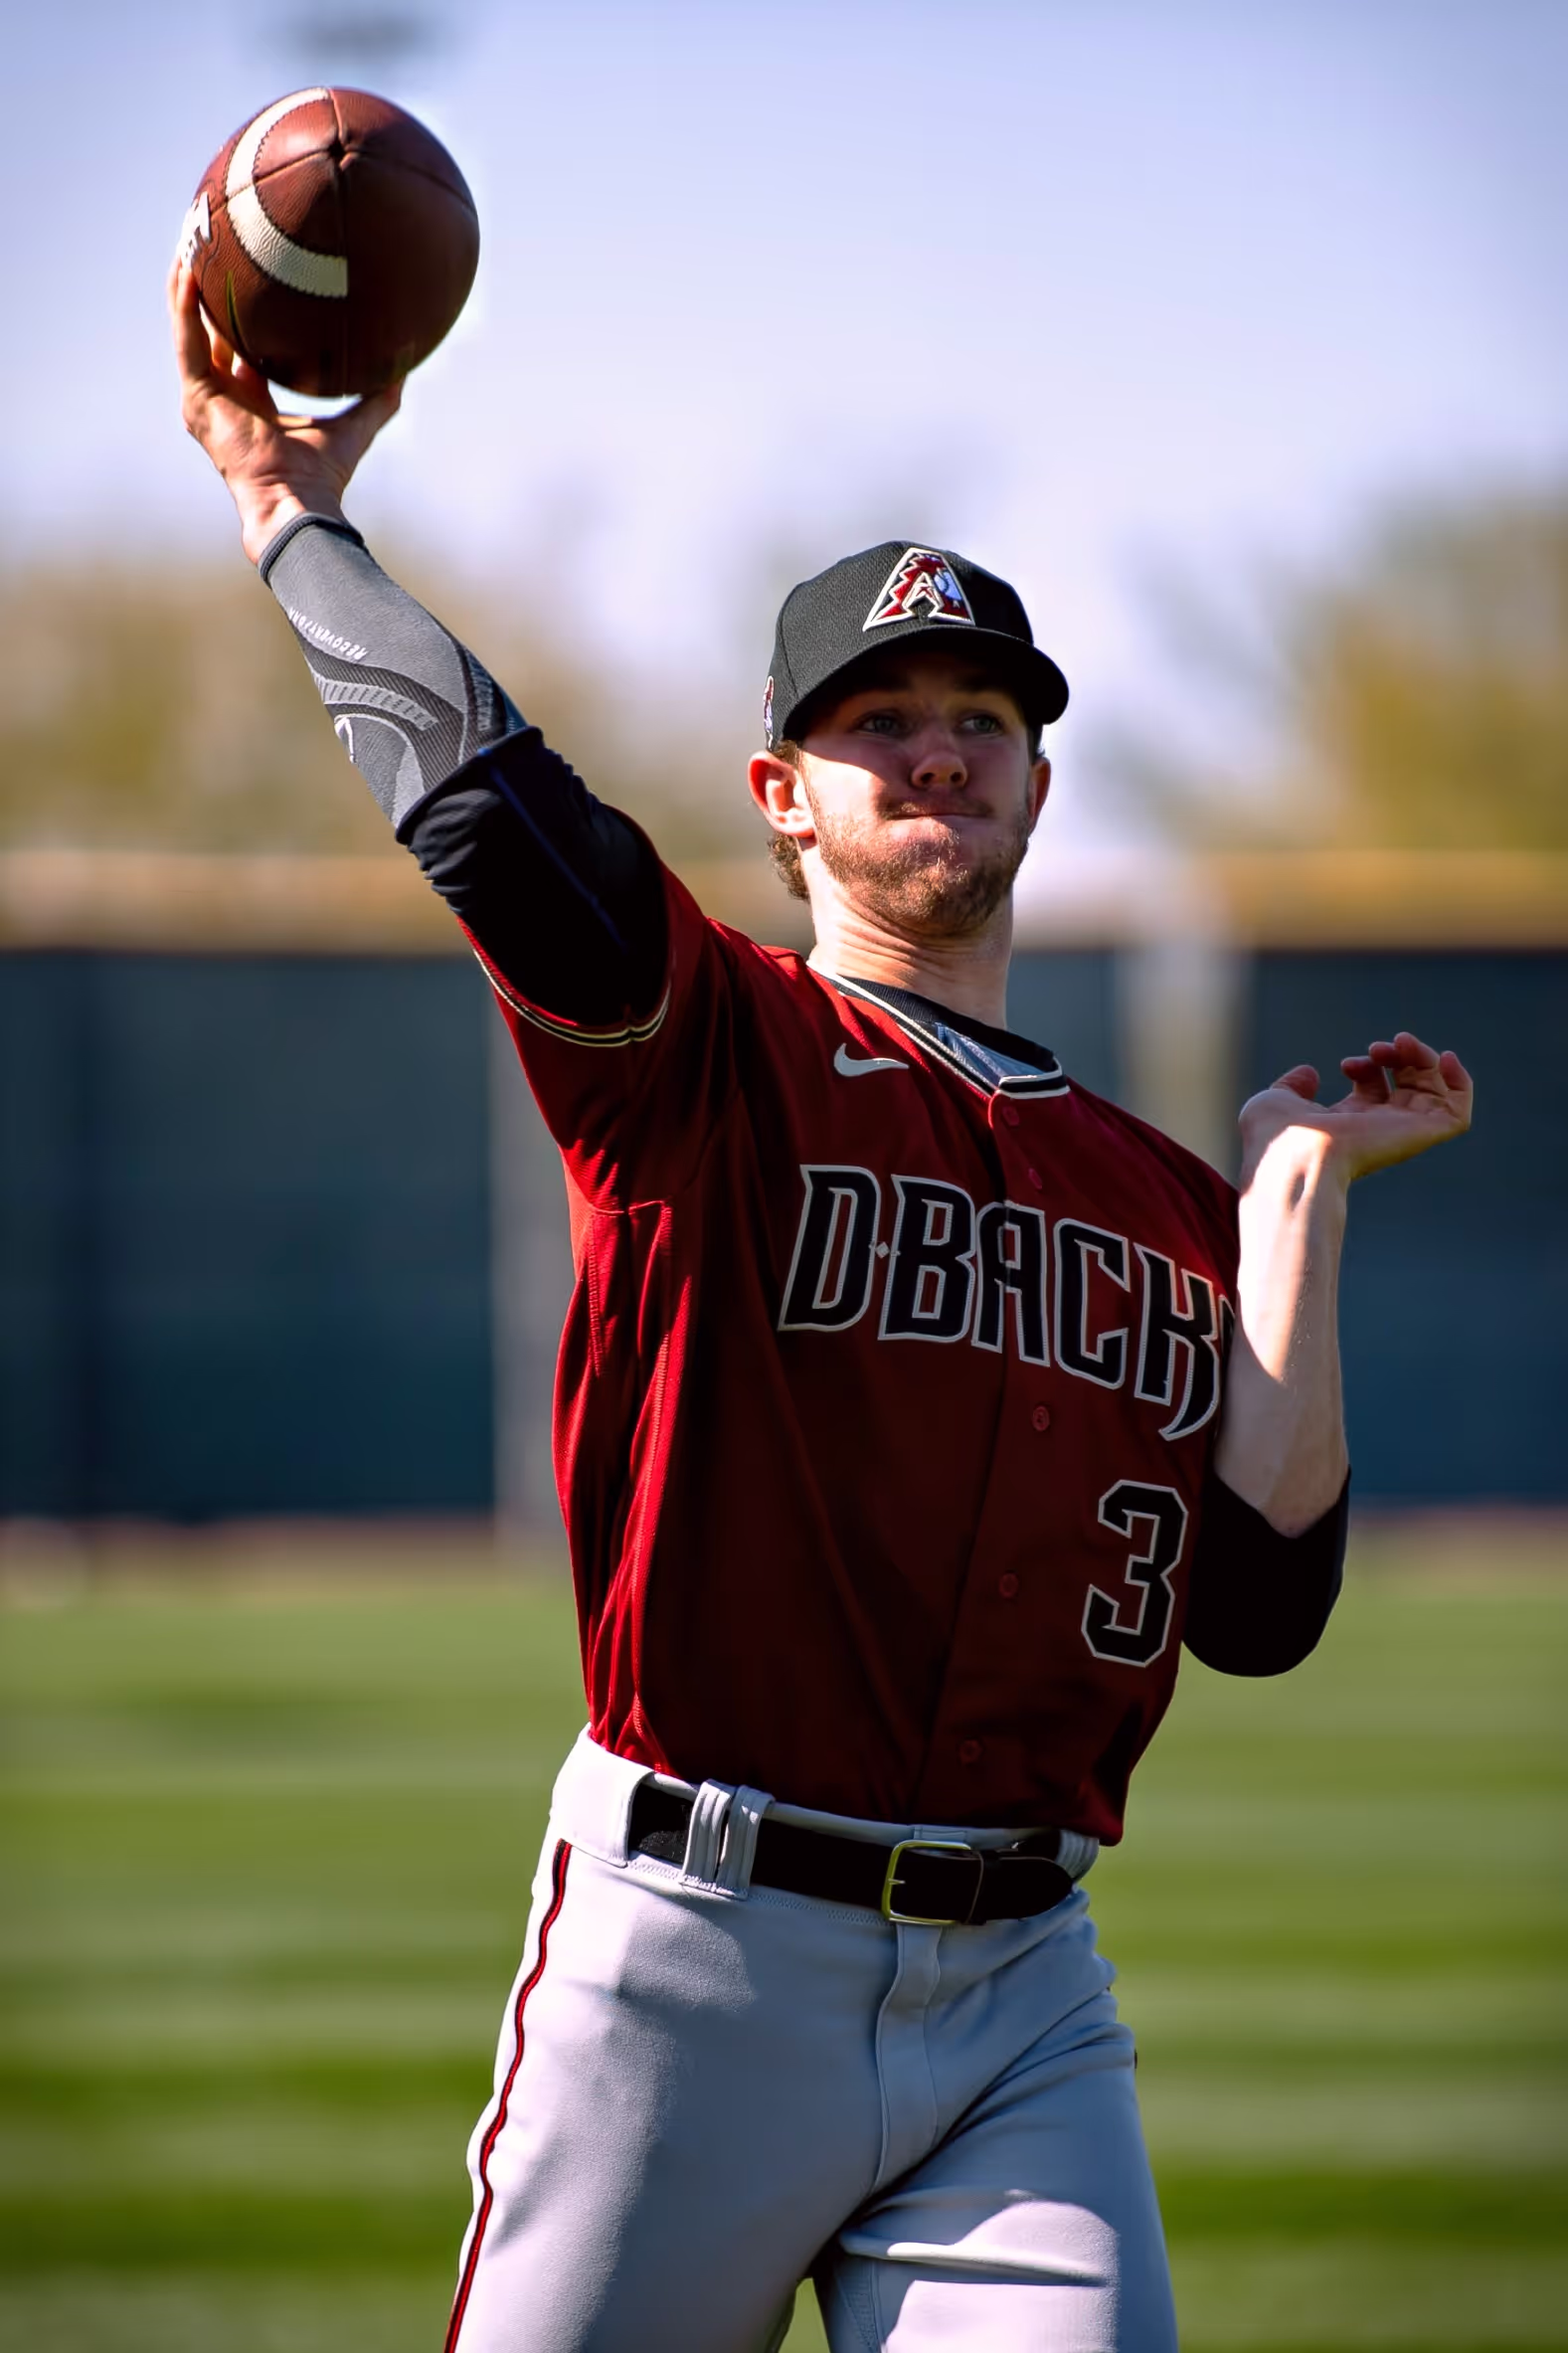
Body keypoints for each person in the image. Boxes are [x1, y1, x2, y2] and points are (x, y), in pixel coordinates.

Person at [170, 259, 1473, 2353]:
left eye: (983, 722)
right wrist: (292, 520)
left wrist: (1295, 1193)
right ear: (782, 794)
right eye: (880, 723)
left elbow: (1258, 1605)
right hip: (689, 1958)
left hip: (1025, 1995)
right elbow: (493, 813)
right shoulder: (708, 1047)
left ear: (1037, 786)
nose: (940, 753)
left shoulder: (1166, 1200)